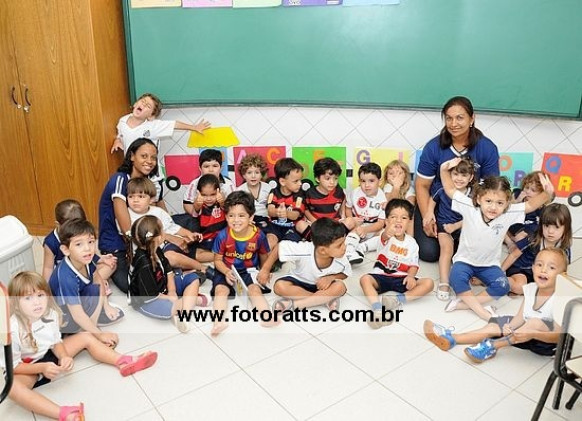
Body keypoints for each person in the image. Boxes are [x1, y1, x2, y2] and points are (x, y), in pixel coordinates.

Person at [1, 271, 157, 421]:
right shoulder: (12, 329)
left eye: (40, 295)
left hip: (47, 356)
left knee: (85, 337)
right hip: (26, 368)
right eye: (28, 298)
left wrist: (64, 356)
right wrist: (42, 368)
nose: (36, 302)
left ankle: (123, 361)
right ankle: (65, 414)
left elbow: (56, 342)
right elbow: (13, 367)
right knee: (12, 389)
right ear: (16, 304)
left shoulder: (50, 314)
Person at [439, 157, 554, 320]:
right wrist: (444, 170)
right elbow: (450, 189)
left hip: (489, 265)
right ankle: (483, 312)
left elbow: (530, 205)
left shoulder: (509, 213)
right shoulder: (469, 207)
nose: (493, 207)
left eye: (500, 203)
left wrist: (547, 193)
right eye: (488, 201)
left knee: (503, 285)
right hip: (464, 261)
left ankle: (464, 304)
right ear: (478, 199)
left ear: (507, 203)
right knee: (456, 278)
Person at [424, 248, 567, 363]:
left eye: (551, 267)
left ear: (562, 275)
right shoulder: (530, 289)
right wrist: (509, 327)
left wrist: (532, 333)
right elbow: (520, 318)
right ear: (533, 267)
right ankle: (452, 339)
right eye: (539, 265)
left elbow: (558, 336)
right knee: (494, 325)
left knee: (535, 322)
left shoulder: (560, 297)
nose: (543, 270)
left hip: (546, 343)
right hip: (523, 334)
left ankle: (493, 346)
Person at [415, 96, 500, 262]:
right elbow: (422, 185)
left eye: (460, 117)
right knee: (429, 252)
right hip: (437, 204)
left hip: (470, 208)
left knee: (474, 250)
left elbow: (492, 191)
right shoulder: (433, 147)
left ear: (472, 118)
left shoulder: (487, 148)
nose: (453, 124)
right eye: (449, 118)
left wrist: (475, 219)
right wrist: (427, 216)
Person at [110, 92, 211, 209]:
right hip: (134, 171)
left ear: (151, 116)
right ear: (136, 103)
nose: (143, 105)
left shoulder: (153, 126)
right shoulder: (123, 121)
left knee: (153, 202)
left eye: (148, 106)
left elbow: (175, 124)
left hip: (152, 174)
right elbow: (120, 134)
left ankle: (165, 220)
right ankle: (164, 219)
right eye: (143, 101)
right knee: (147, 201)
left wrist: (194, 127)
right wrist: (117, 140)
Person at [210, 191, 279, 336]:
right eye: (231, 216)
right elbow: (217, 260)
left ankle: (266, 316)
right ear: (226, 217)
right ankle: (218, 322)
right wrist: (226, 272)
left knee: (255, 290)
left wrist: (264, 271)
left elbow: (263, 254)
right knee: (220, 291)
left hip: (248, 270)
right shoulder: (222, 236)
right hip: (226, 269)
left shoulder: (258, 235)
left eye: (241, 215)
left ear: (251, 217)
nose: (236, 220)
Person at [360, 199, 434, 329]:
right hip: (381, 275)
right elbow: (384, 236)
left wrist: (411, 276)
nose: (398, 221)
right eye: (393, 217)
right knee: (365, 279)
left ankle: (397, 300)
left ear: (409, 222)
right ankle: (377, 309)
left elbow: (414, 264)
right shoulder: (385, 237)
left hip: (401, 278)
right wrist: (388, 232)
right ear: (387, 221)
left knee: (429, 283)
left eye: (403, 218)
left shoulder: (412, 243)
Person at [128, 215, 208, 333]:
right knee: (171, 306)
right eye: (162, 230)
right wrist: (170, 298)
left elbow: (168, 271)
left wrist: (172, 291)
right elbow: (151, 295)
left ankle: (183, 313)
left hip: (163, 287)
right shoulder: (144, 264)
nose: (165, 232)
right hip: (148, 300)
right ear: (159, 237)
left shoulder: (156, 249)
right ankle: (193, 301)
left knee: (194, 278)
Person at [49, 219, 124, 345]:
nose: (87, 248)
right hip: (64, 319)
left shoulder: (85, 259)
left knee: (97, 287)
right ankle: (87, 333)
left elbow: (98, 279)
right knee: (94, 291)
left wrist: (106, 305)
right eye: (79, 244)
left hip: (78, 302)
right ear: (66, 250)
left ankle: (91, 325)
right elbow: (77, 314)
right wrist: (100, 335)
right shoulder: (66, 277)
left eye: (90, 242)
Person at [98, 138, 158, 293]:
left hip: (138, 241)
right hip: (117, 246)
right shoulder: (120, 179)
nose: (149, 161)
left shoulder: (144, 181)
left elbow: (154, 214)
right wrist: (151, 243)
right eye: (144, 156)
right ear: (132, 156)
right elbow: (127, 230)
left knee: (187, 223)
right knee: (134, 287)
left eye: (153, 158)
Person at [260, 218, 350, 312]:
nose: (344, 247)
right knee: (279, 286)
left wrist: (330, 278)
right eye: (339, 245)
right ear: (323, 250)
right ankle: (323, 300)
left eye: (344, 242)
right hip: (299, 282)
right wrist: (265, 269)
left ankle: (296, 305)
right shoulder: (304, 249)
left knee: (340, 286)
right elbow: (280, 248)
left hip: (323, 287)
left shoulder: (341, 257)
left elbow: (345, 273)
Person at [124, 177, 207, 272]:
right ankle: (195, 268)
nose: (135, 200)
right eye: (131, 196)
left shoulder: (158, 212)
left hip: (166, 247)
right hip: (146, 254)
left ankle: (201, 268)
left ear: (151, 199)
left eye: (140, 196)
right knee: (170, 257)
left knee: (182, 250)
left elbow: (173, 228)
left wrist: (189, 234)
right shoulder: (126, 215)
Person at [424, 156, 475, 300]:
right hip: (444, 225)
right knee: (447, 249)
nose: (459, 178)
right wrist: (429, 212)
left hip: (464, 226)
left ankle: (467, 278)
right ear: (449, 174)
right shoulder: (442, 188)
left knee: (469, 250)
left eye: (463, 175)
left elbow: (474, 216)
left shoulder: (474, 194)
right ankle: (444, 282)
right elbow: (433, 199)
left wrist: (456, 226)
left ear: (471, 177)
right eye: (455, 174)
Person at [42, 200, 117, 295]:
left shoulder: (83, 238)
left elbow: (87, 253)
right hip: (68, 276)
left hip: (82, 266)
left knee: (111, 264)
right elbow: (48, 268)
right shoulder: (50, 242)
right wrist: (46, 292)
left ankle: (92, 285)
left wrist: (100, 259)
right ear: (58, 225)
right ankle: (88, 287)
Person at [503, 203, 572, 295]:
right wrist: (498, 273)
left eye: (556, 227)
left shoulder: (564, 246)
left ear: (566, 228)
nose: (550, 231)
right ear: (541, 225)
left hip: (544, 274)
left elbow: (563, 269)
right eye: (546, 226)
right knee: (519, 287)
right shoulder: (533, 238)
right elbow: (514, 255)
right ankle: (498, 282)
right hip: (523, 270)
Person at [344, 162, 387, 264]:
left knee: (386, 235)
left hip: (373, 227)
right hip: (358, 224)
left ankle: (362, 248)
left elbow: (381, 223)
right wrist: (353, 221)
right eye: (363, 181)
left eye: (371, 181)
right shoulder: (355, 193)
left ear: (379, 181)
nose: (366, 185)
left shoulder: (383, 199)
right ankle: (349, 252)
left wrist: (366, 230)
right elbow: (348, 208)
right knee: (353, 231)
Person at [265, 158, 309, 248]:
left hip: (292, 227)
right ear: (282, 181)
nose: (300, 183)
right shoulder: (273, 192)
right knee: (269, 243)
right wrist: (277, 212)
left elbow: (296, 215)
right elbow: (270, 210)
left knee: (285, 246)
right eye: (296, 181)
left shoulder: (300, 195)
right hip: (274, 226)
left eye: (300, 180)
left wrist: (286, 213)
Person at [182, 148, 235, 217]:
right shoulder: (194, 184)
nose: (211, 170)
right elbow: (187, 203)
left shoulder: (228, 185)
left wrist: (223, 202)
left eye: (215, 166)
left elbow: (235, 206)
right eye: (206, 166)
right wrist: (196, 212)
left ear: (221, 168)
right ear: (200, 168)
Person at [505, 170, 549, 252]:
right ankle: (510, 243)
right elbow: (508, 209)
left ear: (541, 194)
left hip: (529, 228)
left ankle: (518, 243)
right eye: (527, 187)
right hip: (514, 224)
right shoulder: (517, 193)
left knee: (527, 238)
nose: (528, 192)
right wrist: (518, 200)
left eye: (533, 190)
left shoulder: (541, 206)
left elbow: (541, 222)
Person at [193, 174, 227, 263]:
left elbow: (227, 210)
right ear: (199, 193)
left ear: (219, 191)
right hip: (206, 241)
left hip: (222, 239)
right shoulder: (200, 204)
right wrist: (197, 203)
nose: (209, 199)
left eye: (213, 194)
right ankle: (223, 256)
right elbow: (196, 209)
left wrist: (222, 202)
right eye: (204, 195)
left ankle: (223, 255)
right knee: (196, 255)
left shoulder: (221, 202)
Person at [236, 153, 271, 230]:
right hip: (249, 221)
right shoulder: (239, 191)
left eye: (257, 172)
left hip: (267, 221)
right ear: (244, 175)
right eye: (249, 173)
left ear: (261, 174)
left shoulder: (268, 188)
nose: (253, 176)